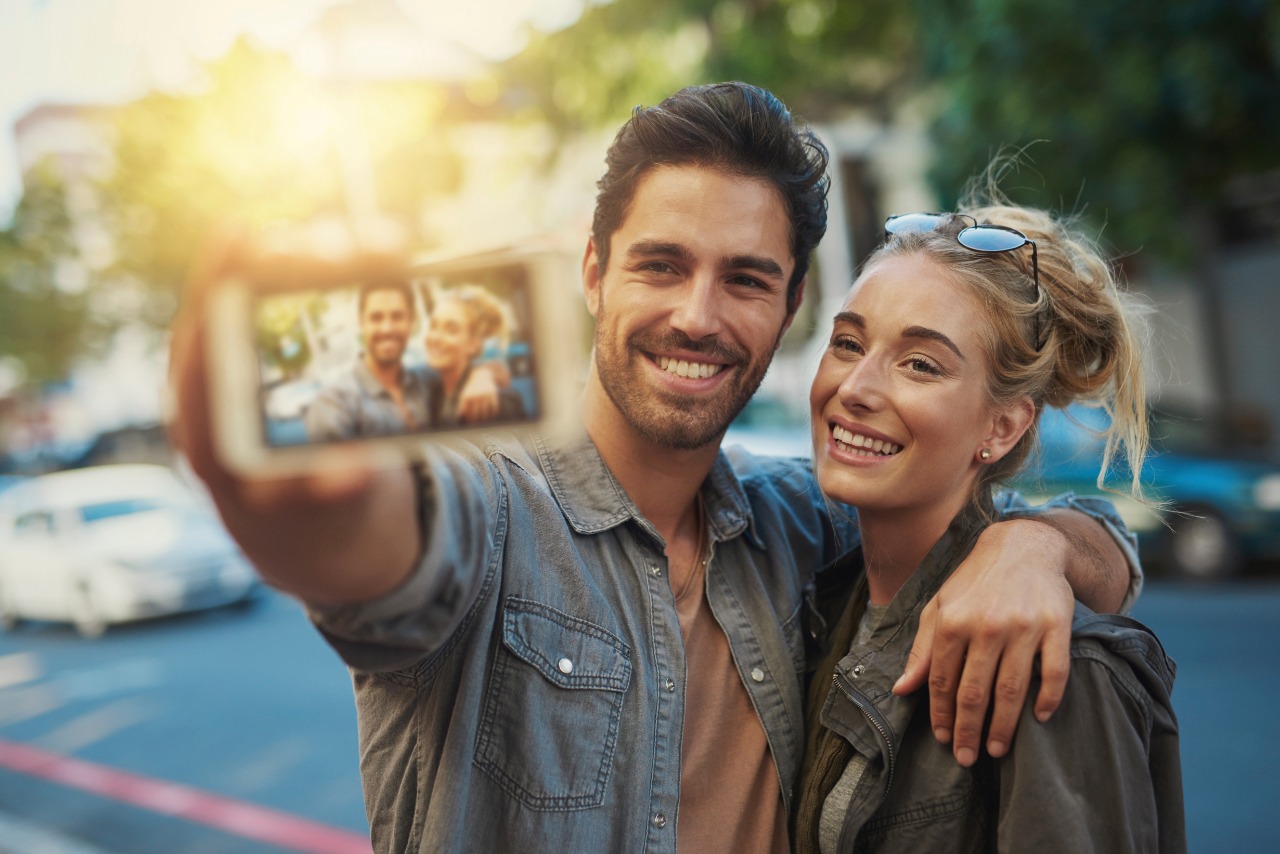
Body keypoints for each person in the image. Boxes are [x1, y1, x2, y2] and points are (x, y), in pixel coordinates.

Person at [168, 83, 1141, 853]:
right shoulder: (491, 504)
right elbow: (360, 539)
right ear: (593, 273)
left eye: (745, 278)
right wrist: (268, 481)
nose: (697, 315)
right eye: (660, 265)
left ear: (790, 304)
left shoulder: (801, 521)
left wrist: (1039, 543)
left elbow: (985, 517)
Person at [794, 205, 1184, 852]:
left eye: (921, 364)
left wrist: (1040, 544)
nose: (856, 387)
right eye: (848, 343)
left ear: (1001, 428)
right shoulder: (821, 594)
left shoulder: (1048, 658)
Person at [304, 279, 503, 440]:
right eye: (376, 318)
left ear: (411, 321)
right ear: (361, 323)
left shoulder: (425, 381)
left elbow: (467, 370)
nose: (387, 328)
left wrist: (482, 373)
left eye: (397, 316)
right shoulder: (334, 402)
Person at [422, 284, 527, 427]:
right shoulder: (432, 393)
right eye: (433, 326)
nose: (435, 338)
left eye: (451, 330)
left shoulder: (494, 403)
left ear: (473, 344)